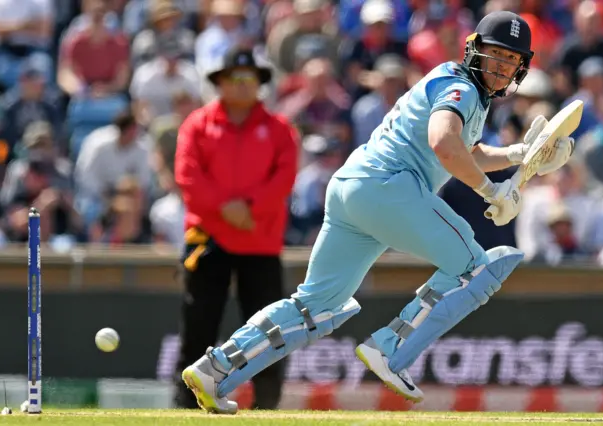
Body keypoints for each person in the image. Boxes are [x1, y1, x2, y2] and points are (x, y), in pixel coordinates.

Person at [181, 11, 575, 414]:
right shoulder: (463, 88)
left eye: (511, 60)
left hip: (354, 187)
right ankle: (391, 347)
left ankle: (216, 367)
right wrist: (490, 191)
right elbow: (444, 144)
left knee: (317, 306)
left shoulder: (457, 86)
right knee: (475, 267)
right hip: (390, 187)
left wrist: (518, 154)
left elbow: (465, 150)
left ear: (521, 68)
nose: (502, 66)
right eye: (495, 55)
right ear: (474, 49)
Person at [174, 46, 298, 410]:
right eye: (235, 79)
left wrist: (251, 209)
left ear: (260, 84)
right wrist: (226, 210)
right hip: (208, 239)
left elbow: (284, 177)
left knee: (268, 332)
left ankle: (268, 406)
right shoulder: (198, 123)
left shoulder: (279, 129)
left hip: (260, 242)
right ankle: (184, 405)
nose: (243, 86)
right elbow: (187, 175)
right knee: (199, 326)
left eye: (250, 79)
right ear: (221, 84)